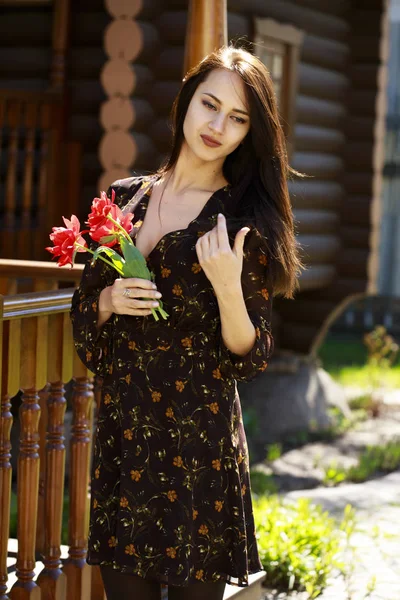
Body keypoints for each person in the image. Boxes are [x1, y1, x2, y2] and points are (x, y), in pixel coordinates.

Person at [70, 45, 303, 600]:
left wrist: (227, 287)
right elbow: (84, 313)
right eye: (210, 104)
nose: (218, 125)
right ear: (186, 104)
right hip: (124, 444)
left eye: (238, 117)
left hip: (197, 453)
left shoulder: (243, 221)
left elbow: (252, 353)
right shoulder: (122, 202)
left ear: (251, 132)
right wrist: (107, 304)